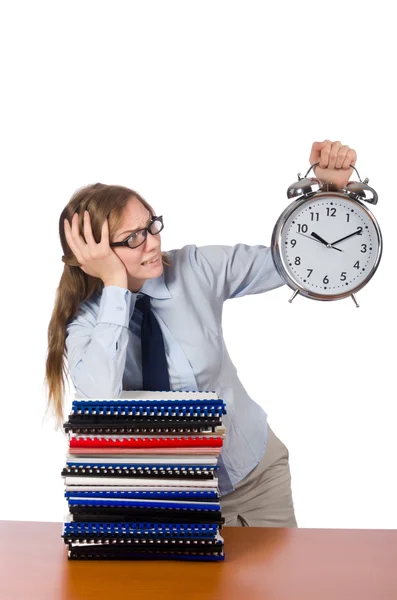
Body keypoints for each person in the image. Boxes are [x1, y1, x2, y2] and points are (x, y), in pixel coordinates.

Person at [45, 139, 357, 527]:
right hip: (163, 501)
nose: (154, 242)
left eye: (151, 225)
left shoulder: (195, 268)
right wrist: (114, 285)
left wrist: (328, 193)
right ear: (93, 257)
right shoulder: (88, 324)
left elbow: (294, 262)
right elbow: (102, 403)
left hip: (254, 480)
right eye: (132, 238)